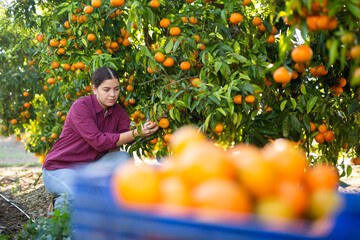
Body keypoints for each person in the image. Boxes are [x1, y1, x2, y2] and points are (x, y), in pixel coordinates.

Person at [42, 66, 159, 210]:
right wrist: (137, 132)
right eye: (106, 89)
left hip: (87, 167)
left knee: (123, 158)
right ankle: (58, 207)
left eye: (116, 89)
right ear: (94, 89)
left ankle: (108, 204)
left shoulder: (117, 111)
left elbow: (130, 134)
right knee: (78, 193)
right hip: (59, 168)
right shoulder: (81, 107)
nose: (112, 95)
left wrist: (155, 120)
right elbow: (99, 142)